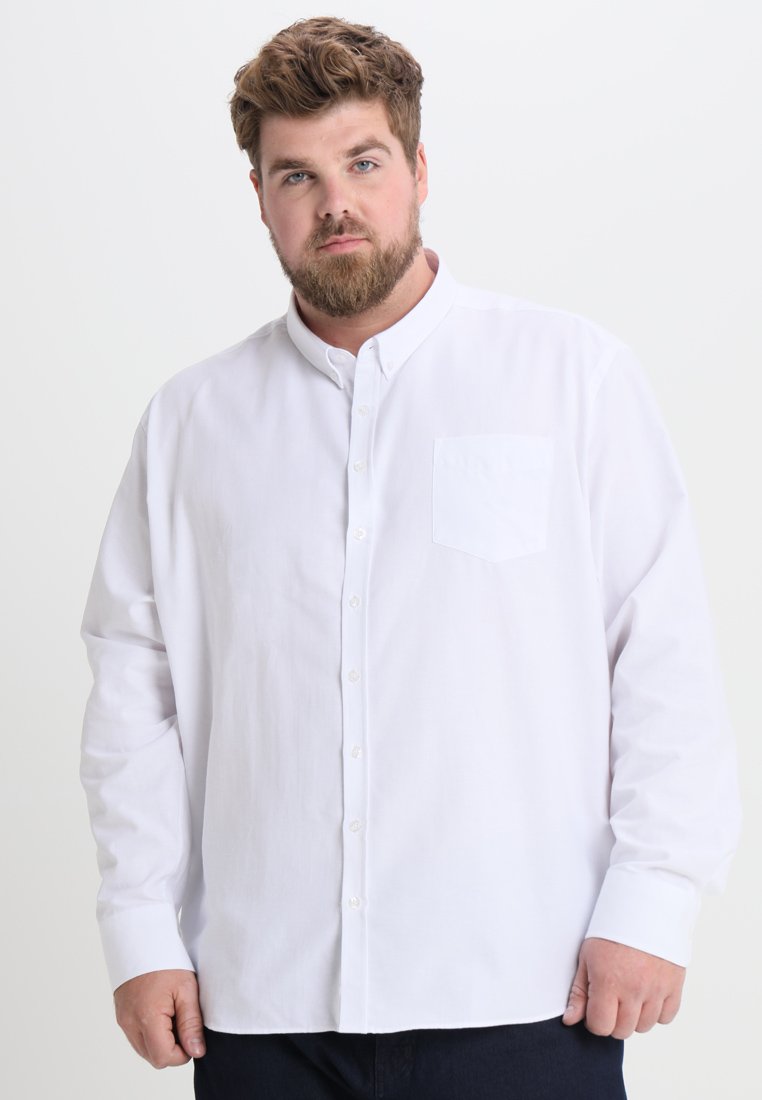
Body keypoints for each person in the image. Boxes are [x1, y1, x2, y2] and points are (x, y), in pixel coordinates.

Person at [79, 15, 741, 1099]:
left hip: (529, 990)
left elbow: (660, 654)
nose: (334, 203)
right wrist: (140, 927)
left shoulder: (570, 378)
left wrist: (654, 901)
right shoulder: (190, 423)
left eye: (364, 162)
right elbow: (133, 696)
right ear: (258, 196)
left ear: (420, 171)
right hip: (264, 1007)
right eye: (296, 175)